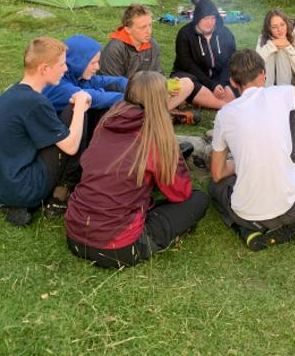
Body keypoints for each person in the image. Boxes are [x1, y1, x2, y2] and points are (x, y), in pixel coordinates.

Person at [65, 72, 209, 268]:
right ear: (162, 99)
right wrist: (173, 158)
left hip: (75, 233)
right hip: (116, 248)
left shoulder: (107, 120)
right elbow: (180, 193)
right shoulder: (155, 136)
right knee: (198, 199)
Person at [209, 49, 295, 251]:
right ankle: (294, 214)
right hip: (292, 207)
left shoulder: (224, 114)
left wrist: (242, 163)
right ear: (263, 75)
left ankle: (245, 230)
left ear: (233, 82)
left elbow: (217, 172)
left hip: (245, 216)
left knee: (214, 186)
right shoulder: (279, 93)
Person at [0, 37, 91, 227]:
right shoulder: (34, 103)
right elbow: (71, 147)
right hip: (24, 188)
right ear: (44, 69)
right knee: (75, 115)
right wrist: (81, 106)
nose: (66, 69)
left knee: (66, 120)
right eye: (62, 64)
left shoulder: (15, 91)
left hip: (5, 187)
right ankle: (60, 197)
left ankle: (15, 205)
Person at [99, 4, 197, 121]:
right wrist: (145, 93)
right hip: (125, 97)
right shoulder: (115, 48)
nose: (148, 31)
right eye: (142, 27)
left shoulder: (152, 44)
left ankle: (151, 116)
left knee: (186, 83)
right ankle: (156, 116)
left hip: (149, 94)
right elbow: (112, 85)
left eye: (150, 25)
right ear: (128, 29)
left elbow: (157, 75)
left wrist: (168, 85)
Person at [172, 0, 236, 109]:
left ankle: (207, 101)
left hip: (219, 79)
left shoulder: (225, 33)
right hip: (193, 77)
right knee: (187, 85)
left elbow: (231, 60)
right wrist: (212, 85)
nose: (210, 22)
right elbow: (188, 65)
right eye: (205, 18)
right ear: (197, 19)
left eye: (213, 18)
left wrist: (223, 83)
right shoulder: (185, 34)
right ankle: (225, 106)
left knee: (237, 80)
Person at [43, 34, 127, 113]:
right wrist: (131, 98)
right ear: (78, 62)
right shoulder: (56, 84)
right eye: (93, 63)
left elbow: (102, 81)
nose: (97, 67)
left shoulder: (76, 75)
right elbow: (94, 97)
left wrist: (130, 84)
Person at [256, 8, 295, 86]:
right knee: (270, 51)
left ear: (287, 23)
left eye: (282, 24)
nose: (280, 29)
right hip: (269, 80)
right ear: (269, 29)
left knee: (281, 52)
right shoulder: (263, 38)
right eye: (274, 27)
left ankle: (282, 94)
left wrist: (288, 47)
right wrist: (272, 44)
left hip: (292, 81)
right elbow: (256, 65)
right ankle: (267, 93)